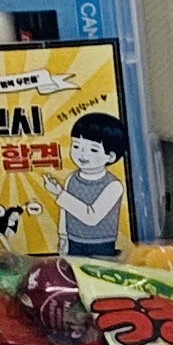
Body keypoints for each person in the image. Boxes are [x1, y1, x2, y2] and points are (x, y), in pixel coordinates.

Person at [57, 109, 130, 256]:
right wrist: (63, 235)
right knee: (73, 269)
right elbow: (64, 211)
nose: (82, 154)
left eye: (93, 150)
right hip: (73, 240)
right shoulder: (71, 178)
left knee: (101, 269)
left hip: (101, 242)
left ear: (110, 156)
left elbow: (91, 217)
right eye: (76, 146)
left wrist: (59, 194)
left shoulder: (113, 185)